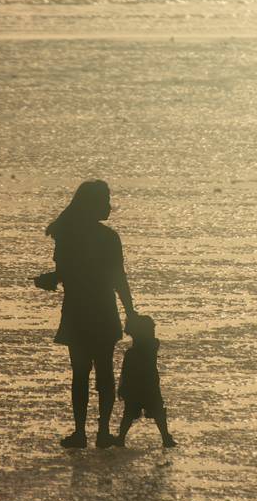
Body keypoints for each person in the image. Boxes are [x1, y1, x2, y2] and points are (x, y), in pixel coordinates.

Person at [33, 180, 135, 449]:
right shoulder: (108, 238)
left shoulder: (67, 235)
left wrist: (51, 278)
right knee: (104, 372)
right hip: (102, 310)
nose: (109, 206)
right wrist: (131, 312)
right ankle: (102, 432)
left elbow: (68, 273)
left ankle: (80, 433)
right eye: (105, 200)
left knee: (80, 373)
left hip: (78, 310)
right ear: (93, 204)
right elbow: (118, 279)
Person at [114, 312, 175, 448]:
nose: (153, 333)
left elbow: (125, 373)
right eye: (151, 330)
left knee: (129, 414)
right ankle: (165, 437)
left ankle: (121, 438)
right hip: (149, 387)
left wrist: (122, 388)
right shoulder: (151, 346)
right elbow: (126, 372)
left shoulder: (134, 352)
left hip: (137, 388)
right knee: (157, 412)